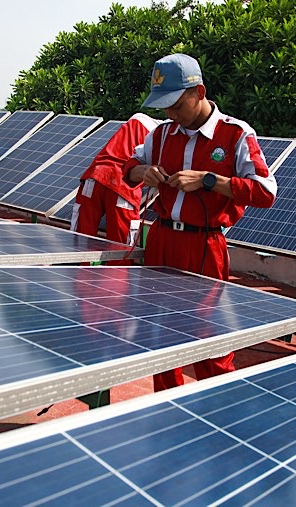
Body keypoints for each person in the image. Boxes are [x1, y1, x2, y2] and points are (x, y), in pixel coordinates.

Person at [123, 53, 278, 391]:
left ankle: (217, 408)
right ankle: (165, 407)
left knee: (208, 338)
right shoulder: (162, 135)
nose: (169, 113)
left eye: (176, 104)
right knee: (158, 334)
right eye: (164, 107)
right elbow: (129, 168)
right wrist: (143, 172)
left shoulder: (235, 134)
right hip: (162, 240)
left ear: (199, 92)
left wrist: (210, 180)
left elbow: (266, 192)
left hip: (205, 246)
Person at [70, 113, 161, 259]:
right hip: (123, 186)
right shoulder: (164, 135)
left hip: (94, 176)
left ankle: (77, 278)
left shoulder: (136, 119)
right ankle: (117, 281)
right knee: (120, 250)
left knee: (80, 244)